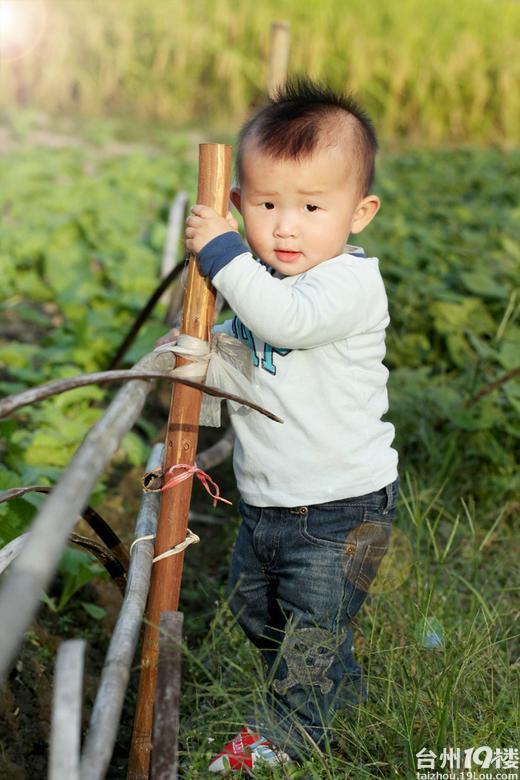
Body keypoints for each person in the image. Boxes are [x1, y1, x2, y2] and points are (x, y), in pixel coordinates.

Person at [184, 77, 399, 773]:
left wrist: (221, 252)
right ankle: (337, 693)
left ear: (359, 212)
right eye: (267, 205)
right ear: (240, 202)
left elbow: (284, 325)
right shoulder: (262, 284)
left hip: (342, 506)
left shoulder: (345, 285)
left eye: (312, 207)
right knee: (255, 611)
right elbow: (247, 360)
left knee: (309, 635)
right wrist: (200, 355)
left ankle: (285, 736)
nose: (285, 227)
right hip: (269, 503)